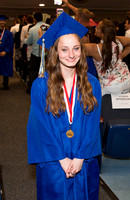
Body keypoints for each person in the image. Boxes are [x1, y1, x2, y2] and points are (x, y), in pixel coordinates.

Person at [27, 12, 101, 200]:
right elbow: (40, 126)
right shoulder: (40, 86)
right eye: (64, 49)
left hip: (83, 160)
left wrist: (79, 158)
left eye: (76, 48)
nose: (71, 54)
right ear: (55, 51)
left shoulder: (92, 83)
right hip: (53, 160)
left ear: (81, 50)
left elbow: (92, 124)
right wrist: (62, 158)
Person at [84, 19, 130, 96]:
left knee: (106, 107)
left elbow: (74, 48)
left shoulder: (95, 48)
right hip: (126, 80)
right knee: (123, 106)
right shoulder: (119, 40)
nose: (95, 29)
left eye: (98, 28)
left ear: (103, 33)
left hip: (111, 87)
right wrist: (121, 56)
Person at [24, 12, 49, 94]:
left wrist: (26, 38)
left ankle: (31, 89)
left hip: (35, 54)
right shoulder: (48, 27)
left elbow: (27, 42)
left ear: (34, 19)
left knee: (33, 72)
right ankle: (45, 89)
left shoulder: (32, 29)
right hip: (46, 54)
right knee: (46, 72)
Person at [0, 15, 13, 89]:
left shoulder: (8, 33)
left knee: (5, 69)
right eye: (1, 21)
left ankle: (5, 84)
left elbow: (10, 44)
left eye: (4, 21)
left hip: (5, 54)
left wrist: (6, 51)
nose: (2, 22)